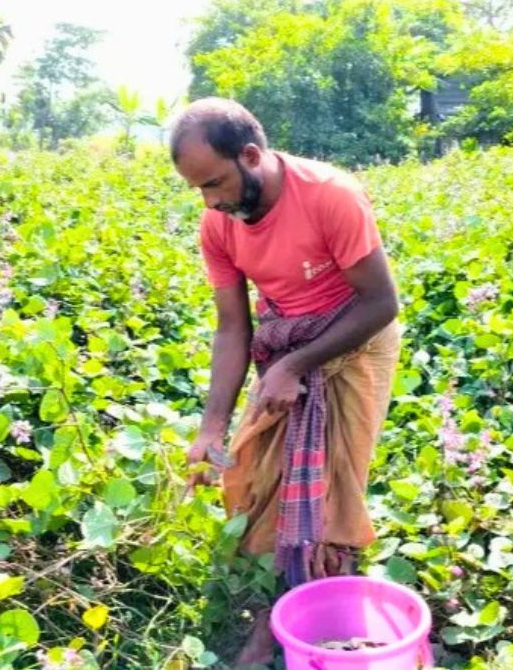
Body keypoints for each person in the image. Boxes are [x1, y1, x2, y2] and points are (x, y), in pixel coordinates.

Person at [169, 97, 402, 666]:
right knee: (260, 474)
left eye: (217, 182)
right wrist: (212, 426)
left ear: (251, 155)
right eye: (198, 189)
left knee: (333, 488)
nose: (212, 201)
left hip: (357, 336)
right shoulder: (218, 224)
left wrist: (293, 367)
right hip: (286, 341)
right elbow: (232, 326)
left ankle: (299, 621)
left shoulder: (329, 194)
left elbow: (381, 302)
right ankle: (284, 601)